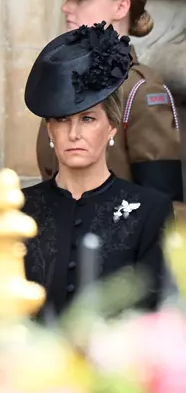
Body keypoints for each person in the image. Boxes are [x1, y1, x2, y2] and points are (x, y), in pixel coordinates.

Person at [23, 22, 173, 316]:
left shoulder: (150, 211)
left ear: (111, 128)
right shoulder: (19, 210)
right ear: (50, 131)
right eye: (62, 120)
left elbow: (156, 316)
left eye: (88, 119)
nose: (74, 133)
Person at [35, 0, 182, 202]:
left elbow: (164, 207)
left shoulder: (139, 90)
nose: (66, 7)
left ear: (121, 7)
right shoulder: (62, 83)